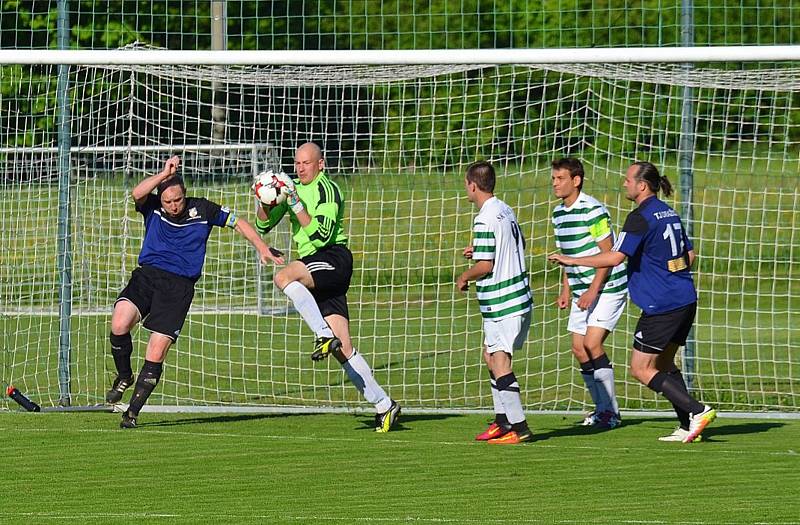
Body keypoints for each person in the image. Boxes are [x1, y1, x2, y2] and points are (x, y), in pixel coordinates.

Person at [107, 155, 283, 428]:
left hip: (178, 287)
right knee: (119, 324)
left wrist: (262, 247)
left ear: (185, 195)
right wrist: (163, 174)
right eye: (168, 201)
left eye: (178, 199)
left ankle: (131, 413)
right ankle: (124, 376)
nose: (173, 205)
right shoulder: (151, 206)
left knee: (156, 350)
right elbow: (137, 192)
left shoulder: (203, 209)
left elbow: (239, 223)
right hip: (147, 276)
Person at [549, 161, 716, 443]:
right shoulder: (669, 212)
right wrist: (670, 272)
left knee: (640, 368)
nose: (623, 184)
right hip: (685, 297)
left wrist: (572, 259)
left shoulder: (640, 216)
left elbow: (615, 257)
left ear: (641, 185)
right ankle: (689, 425)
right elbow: (690, 254)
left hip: (661, 305)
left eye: (627, 180)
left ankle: (698, 410)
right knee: (663, 363)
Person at [254, 142, 400, 432]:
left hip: (332, 257)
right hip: (315, 269)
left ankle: (321, 334)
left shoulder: (327, 189)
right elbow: (262, 227)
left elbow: (320, 237)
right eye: (296, 163)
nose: (300, 168)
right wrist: (264, 200)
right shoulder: (290, 188)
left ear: (320, 164)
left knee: (283, 277)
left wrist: (295, 203)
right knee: (343, 348)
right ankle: (385, 405)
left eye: (306, 163)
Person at [457, 161, 533, 444]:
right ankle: (502, 421)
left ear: (472, 185)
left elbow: (486, 266)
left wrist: (465, 275)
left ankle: (520, 427)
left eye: (466, 184)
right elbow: (516, 244)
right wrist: (478, 250)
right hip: (508, 299)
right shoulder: (505, 209)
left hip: (506, 301)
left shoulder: (484, 217)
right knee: (490, 355)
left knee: (500, 361)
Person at [550, 158, 627, 429]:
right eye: (554, 179)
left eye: (560, 178)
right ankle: (601, 409)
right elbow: (567, 256)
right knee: (579, 349)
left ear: (576, 180)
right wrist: (566, 290)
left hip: (608, 286)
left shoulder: (593, 210)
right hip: (582, 289)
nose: (555, 184)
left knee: (593, 344)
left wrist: (593, 290)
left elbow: (608, 255)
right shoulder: (558, 214)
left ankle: (611, 413)